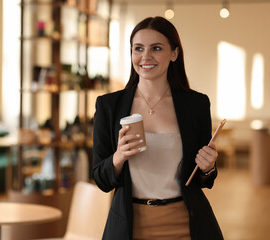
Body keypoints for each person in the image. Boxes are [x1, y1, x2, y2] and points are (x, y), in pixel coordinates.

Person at [92, 16, 223, 240]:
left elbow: (205, 179)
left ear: (174, 53)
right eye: (138, 48)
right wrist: (118, 157)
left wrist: (208, 166)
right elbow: (100, 178)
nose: (145, 56)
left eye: (157, 48)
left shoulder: (197, 104)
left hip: (187, 224)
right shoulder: (109, 106)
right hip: (129, 225)